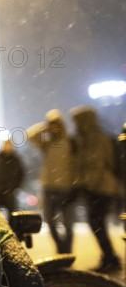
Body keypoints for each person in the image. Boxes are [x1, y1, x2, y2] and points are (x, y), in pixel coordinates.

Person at [70, 106, 121, 272]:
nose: (75, 125)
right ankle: (109, 257)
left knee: (97, 223)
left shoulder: (97, 138)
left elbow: (98, 165)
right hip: (96, 188)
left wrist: (87, 186)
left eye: (77, 121)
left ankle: (111, 258)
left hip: (101, 189)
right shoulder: (85, 138)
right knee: (97, 223)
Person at [27, 110, 75, 254]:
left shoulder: (70, 143)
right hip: (49, 188)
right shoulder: (47, 143)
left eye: (56, 125)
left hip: (67, 188)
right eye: (51, 125)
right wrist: (45, 126)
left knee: (68, 224)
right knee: (50, 222)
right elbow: (30, 134)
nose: (54, 128)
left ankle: (67, 251)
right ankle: (61, 249)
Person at [0, 139, 24, 215]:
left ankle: (11, 226)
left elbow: (20, 174)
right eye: (6, 145)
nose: (7, 147)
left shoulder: (15, 160)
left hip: (9, 190)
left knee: (12, 212)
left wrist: (15, 186)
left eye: (9, 145)